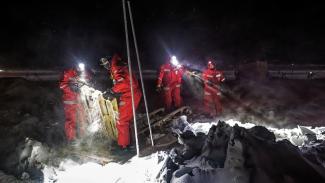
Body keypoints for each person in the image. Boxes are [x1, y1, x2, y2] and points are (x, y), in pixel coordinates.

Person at [100, 54, 142, 150]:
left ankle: (124, 146)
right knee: (126, 119)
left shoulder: (116, 67)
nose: (105, 65)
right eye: (103, 63)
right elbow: (125, 82)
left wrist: (112, 91)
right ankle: (130, 143)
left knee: (122, 120)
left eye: (105, 62)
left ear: (109, 60)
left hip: (130, 95)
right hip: (129, 94)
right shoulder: (117, 65)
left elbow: (124, 83)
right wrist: (114, 92)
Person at [59, 64, 88, 142]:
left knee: (83, 119)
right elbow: (62, 85)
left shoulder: (84, 73)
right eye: (78, 68)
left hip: (80, 101)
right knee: (71, 120)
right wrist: (71, 88)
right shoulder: (67, 73)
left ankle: (84, 138)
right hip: (70, 101)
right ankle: (72, 139)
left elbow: (88, 82)